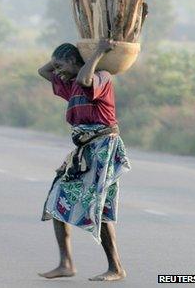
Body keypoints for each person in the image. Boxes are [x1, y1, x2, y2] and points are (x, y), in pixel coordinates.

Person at [37, 40, 131, 282]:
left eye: (61, 65)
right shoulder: (70, 86)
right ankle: (65, 263)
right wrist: (73, 50)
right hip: (84, 152)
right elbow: (43, 71)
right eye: (56, 67)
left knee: (95, 206)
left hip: (103, 148)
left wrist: (97, 52)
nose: (57, 72)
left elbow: (84, 80)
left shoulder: (101, 76)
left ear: (75, 63)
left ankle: (116, 267)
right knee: (57, 199)